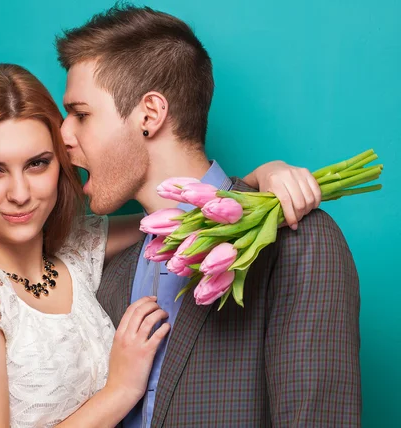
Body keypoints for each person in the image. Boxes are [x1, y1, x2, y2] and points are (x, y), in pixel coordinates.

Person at [0, 64, 320, 427]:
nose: (20, 193)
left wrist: (267, 178)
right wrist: (121, 391)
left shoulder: (72, 252)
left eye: (37, 163)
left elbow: (184, 213)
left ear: (61, 162)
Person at [56, 5, 361, 427]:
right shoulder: (111, 273)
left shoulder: (298, 243)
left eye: (82, 114)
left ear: (149, 114)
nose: (63, 134)